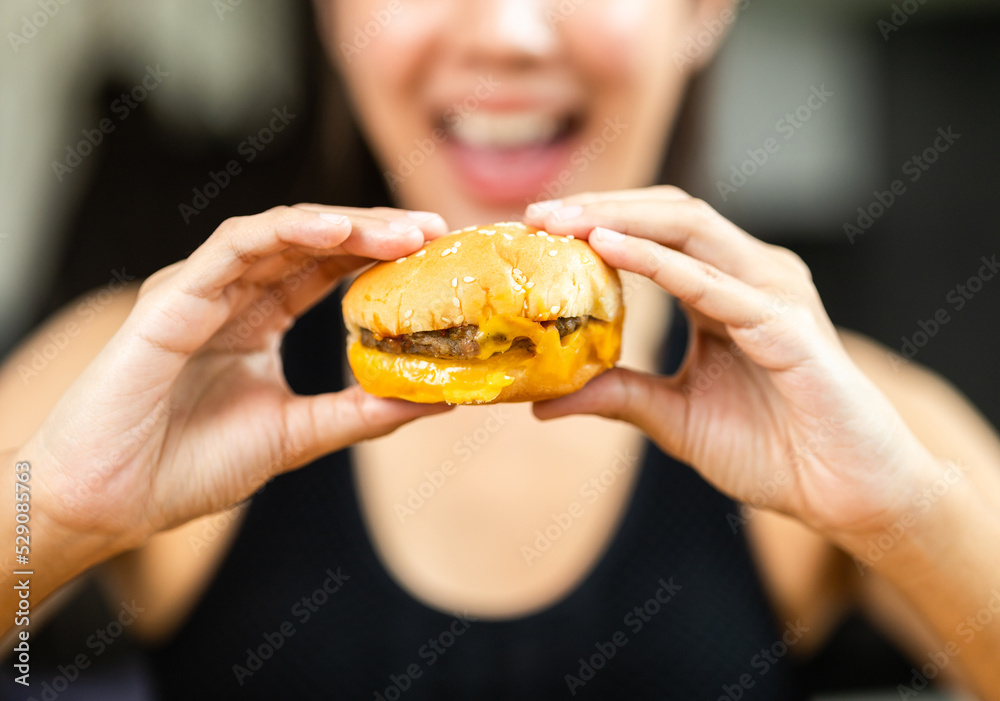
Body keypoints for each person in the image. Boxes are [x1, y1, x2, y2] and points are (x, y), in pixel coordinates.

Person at [2, 0, 999, 698]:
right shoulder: (132, 373)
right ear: (335, 16)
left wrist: (910, 520)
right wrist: (48, 521)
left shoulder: (858, 414)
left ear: (703, 8)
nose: (509, 30)